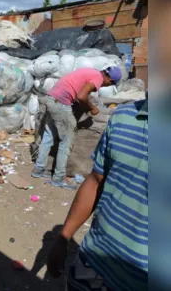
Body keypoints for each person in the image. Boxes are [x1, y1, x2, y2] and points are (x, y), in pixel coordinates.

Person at [47, 95, 148, 291]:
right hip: (93, 264)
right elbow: (95, 180)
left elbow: (83, 95)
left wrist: (92, 108)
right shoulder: (123, 117)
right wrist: (63, 237)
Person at [31, 66, 122, 190]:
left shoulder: (90, 71)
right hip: (61, 103)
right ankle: (59, 178)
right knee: (66, 141)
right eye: (109, 85)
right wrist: (92, 108)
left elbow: (77, 92)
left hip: (51, 99)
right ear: (110, 81)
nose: (103, 87)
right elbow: (81, 96)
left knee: (48, 136)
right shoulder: (98, 78)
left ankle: (38, 169)